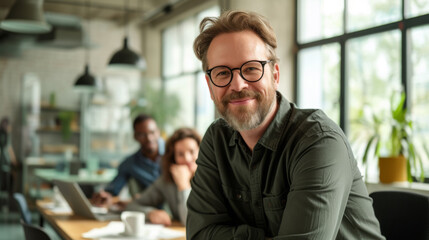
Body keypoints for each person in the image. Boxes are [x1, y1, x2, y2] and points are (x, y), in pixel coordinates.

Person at [186, 10, 385, 239]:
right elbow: (199, 234)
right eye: (222, 73)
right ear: (211, 87)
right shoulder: (216, 139)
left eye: (251, 68)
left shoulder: (319, 141)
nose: (238, 84)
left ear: (275, 75)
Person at [112, 127, 201, 226]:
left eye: (192, 151)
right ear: (173, 158)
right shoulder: (166, 181)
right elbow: (132, 206)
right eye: (180, 154)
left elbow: (191, 222)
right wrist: (149, 213)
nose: (187, 159)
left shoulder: (210, 179)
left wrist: (184, 186)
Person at [91, 114, 164, 207]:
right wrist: (104, 195)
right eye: (142, 134)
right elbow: (113, 190)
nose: (149, 138)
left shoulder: (175, 153)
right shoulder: (130, 163)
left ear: (158, 132)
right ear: (135, 136)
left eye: (152, 132)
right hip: (149, 211)